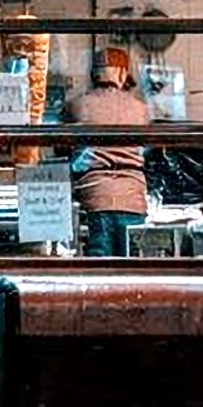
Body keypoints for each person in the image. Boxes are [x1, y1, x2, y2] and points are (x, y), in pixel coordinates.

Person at [73, 46, 152, 256]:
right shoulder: (140, 108)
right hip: (132, 197)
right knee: (133, 271)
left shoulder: (78, 105)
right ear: (123, 73)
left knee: (98, 276)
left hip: (95, 194)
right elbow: (145, 148)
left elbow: (63, 150)